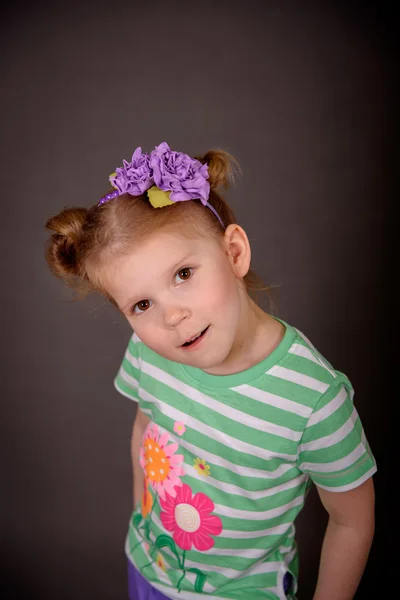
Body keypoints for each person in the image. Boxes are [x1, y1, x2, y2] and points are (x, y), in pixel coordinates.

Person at [45, 142, 376, 600]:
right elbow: (146, 427)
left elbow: (352, 520)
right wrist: (143, 515)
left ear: (234, 253)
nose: (171, 316)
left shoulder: (313, 397)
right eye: (142, 304)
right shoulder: (149, 352)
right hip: (147, 567)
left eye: (183, 274)